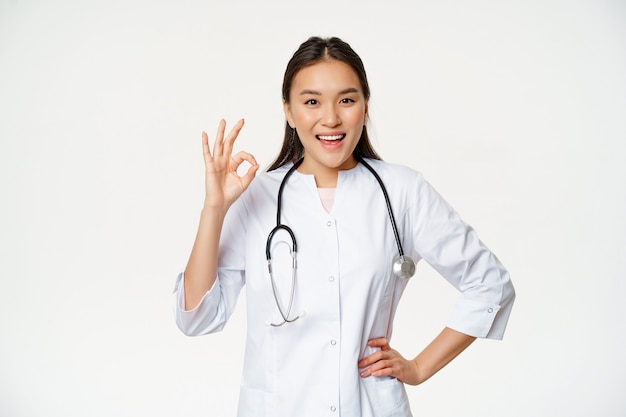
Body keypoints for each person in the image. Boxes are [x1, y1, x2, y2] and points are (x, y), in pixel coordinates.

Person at [173, 36, 515, 417]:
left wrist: (419, 368)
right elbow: (196, 318)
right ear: (288, 111)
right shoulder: (256, 195)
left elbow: (490, 285)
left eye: (347, 100)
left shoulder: (402, 191)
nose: (331, 118)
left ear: (364, 107)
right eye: (312, 101)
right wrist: (214, 209)